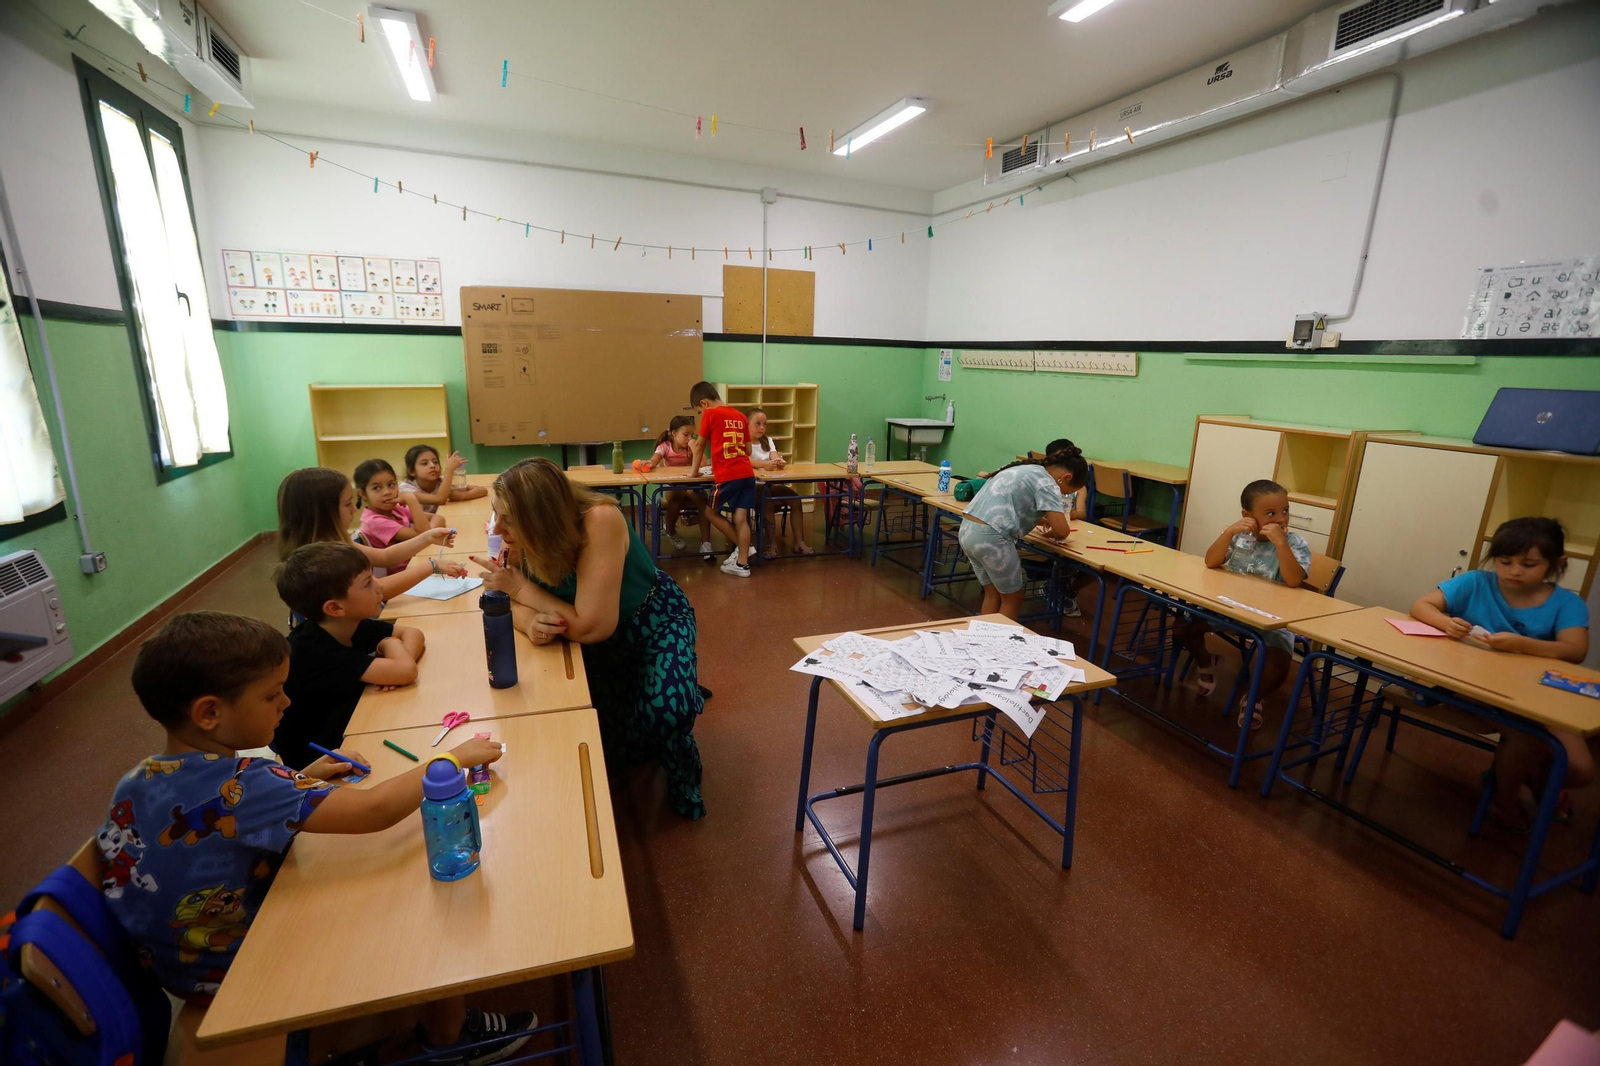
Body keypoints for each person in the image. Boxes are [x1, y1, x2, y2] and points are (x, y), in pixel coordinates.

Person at [99, 611, 531, 1063]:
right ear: (209, 712)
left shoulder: (138, 776)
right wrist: (452, 756)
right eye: (271, 695)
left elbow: (214, 817)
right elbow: (376, 810)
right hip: (243, 972)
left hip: (180, 968)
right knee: (419, 897)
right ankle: (449, 1039)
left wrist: (300, 780)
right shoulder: (248, 782)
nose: (286, 703)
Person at [470, 458, 706, 819]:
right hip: (592, 639)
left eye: (509, 518)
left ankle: (684, 775)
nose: (497, 527)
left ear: (541, 517)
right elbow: (497, 600)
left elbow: (593, 626)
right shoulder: (516, 535)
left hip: (652, 621)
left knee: (666, 715)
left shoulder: (599, 521)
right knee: (604, 744)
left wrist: (520, 587)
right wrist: (529, 622)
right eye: (495, 514)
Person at [1410, 516, 1592, 830]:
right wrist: (1445, 623)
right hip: (1472, 687)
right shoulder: (1476, 582)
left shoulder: (1566, 602)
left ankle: (1531, 781)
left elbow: (1575, 650)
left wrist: (1524, 644)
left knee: (1581, 769)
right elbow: (1422, 606)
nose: (1514, 571)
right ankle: (1504, 798)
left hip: (1535, 695)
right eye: (1505, 562)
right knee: (1525, 739)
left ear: (1556, 562)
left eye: (1529, 564)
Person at [273, 543, 424, 769]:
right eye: (368, 583)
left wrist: (396, 660)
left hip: (351, 727)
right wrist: (392, 652)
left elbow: (413, 634)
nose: (379, 587)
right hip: (324, 762)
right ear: (335, 608)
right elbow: (406, 671)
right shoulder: (313, 650)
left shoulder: (346, 624)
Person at [1181, 479, 1310, 731]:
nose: (1281, 519)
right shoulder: (1239, 536)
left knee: (1279, 664)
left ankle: (1253, 698)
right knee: (1182, 625)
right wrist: (1229, 532)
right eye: (1271, 513)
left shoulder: (1294, 543)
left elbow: (1294, 580)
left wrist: (1280, 543)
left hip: (1271, 617)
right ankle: (1206, 664)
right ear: (1247, 516)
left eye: (1285, 510)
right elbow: (1210, 561)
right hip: (1231, 609)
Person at [277, 467, 465, 603]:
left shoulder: (334, 543)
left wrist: (427, 537)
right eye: (347, 503)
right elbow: (379, 590)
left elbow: (386, 557)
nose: (354, 509)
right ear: (322, 513)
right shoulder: (322, 561)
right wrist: (431, 566)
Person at [957, 443, 1088, 621]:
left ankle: (982, 641)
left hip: (969, 530)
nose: (1062, 496)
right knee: (1013, 598)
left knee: (993, 593)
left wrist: (1043, 519)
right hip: (991, 539)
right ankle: (1001, 646)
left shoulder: (1028, 468)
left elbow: (1014, 505)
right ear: (1065, 477)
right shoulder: (1047, 483)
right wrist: (1055, 528)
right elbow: (1062, 531)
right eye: (1065, 492)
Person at [688, 381, 755, 578]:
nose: (701, 414)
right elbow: (749, 450)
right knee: (741, 519)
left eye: (699, 410)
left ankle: (746, 549)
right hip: (747, 474)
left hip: (728, 476)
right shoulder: (741, 416)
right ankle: (742, 563)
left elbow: (699, 446)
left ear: (704, 403)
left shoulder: (711, 414)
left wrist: (694, 473)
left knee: (710, 512)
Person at [749, 407, 813, 557]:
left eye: (765, 424)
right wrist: (764, 465)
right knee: (768, 502)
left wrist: (778, 460)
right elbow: (745, 460)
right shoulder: (744, 442)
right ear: (747, 424)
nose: (762, 428)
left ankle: (799, 542)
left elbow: (773, 455)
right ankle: (771, 544)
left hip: (771, 483)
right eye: (757, 424)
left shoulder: (767, 441)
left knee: (796, 500)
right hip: (754, 486)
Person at [645, 415, 713, 554]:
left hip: (692, 485)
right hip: (674, 487)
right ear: (674, 433)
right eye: (686, 434)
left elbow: (703, 463)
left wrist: (695, 447)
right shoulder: (665, 447)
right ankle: (671, 532)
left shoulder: (690, 447)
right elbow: (654, 459)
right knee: (678, 495)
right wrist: (648, 463)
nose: (689, 438)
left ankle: (706, 542)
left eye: (692, 435)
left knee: (701, 498)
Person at [356, 458, 445, 561]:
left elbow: (438, 518)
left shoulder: (395, 509)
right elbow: (424, 537)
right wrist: (412, 500)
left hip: (417, 559)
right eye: (377, 488)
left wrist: (429, 531)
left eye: (391, 485)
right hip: (404, 570)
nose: (387, 492)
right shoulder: (374, 521)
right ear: (363, 494)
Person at [401, 446, 488, 513]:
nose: (432, 465)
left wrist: (461, 496)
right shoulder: (407, 490)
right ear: (412, 471)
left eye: (435, 462)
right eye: (424, 463)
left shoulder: (440, 481)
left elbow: (482, 490)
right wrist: (449, 470)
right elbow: (439, 499)